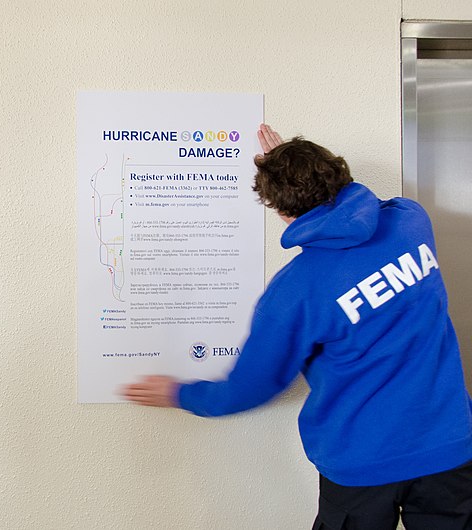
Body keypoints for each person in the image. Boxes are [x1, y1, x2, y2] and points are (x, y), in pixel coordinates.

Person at [122, 124, 472, 529]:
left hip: (361, 462)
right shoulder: (411, 222)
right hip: (450, 445)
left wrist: (179, 393)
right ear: (339, 177)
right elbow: (364, 205)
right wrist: (299, 164)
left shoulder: (294, 292)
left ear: (280, 210)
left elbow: (249, 387)